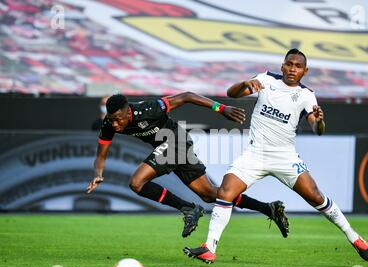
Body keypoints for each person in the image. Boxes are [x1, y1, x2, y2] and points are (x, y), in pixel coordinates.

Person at [184, 48, 368, 264]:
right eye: (289, 64)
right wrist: (246, 84)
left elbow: (317, 128)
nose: (292, 69)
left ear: (305, 71)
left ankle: (354, 237)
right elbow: (231, 94)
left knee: (315, 196)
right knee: (225, 191)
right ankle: (209, 247)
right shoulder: (265, 79)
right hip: (255, 154)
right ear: (282, 65)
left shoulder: (306, 95)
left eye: (298, 66)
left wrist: (319, 120)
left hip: (285, 157)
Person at [86, 92, 289, 238]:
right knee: (211, 195)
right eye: (111, 120)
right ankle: (268, 209)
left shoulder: (149, 109)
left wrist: (220, 108)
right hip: (172, 149)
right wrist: (98, 173)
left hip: (176, 142)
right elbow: (101, 154)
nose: (114, 124)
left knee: (137, 182)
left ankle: (187, 208)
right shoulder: (109, 124)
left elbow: (186, 96)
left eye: (118, 120)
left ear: (128, 111)